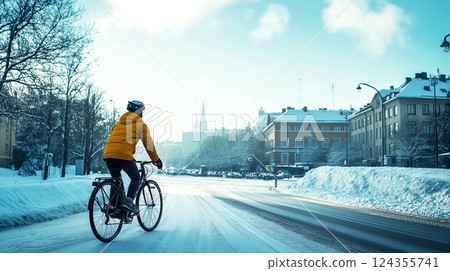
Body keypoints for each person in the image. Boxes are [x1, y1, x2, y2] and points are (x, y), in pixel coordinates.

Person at [103, 100, 163, 214]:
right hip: (124, 155)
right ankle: (129, 202)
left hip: (108, 155)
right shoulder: (141, 125)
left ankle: (114, 207)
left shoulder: (117, 125)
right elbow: (149, 146)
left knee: (116, 180)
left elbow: (117, 143)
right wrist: (157, 160)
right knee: (136, 178)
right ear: (139, 112)